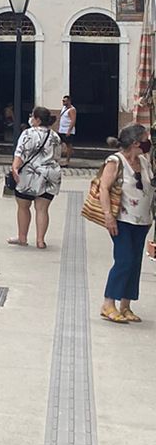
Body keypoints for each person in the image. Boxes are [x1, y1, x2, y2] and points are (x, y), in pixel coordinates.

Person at [98, 124, 155, 324]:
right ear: (135, 142)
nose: (149, 143)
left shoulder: (144, 161)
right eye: (146, 139)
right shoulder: (115, 161)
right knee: (124, 260)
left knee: (135, 262)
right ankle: (108, 303)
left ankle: (126, 304)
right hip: (121, 220)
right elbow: (104, 188)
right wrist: (108, 216)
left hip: (142, 220)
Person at [9, 105, 61, 248]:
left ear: (37, 119)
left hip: (30, 175)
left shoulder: (28, 133)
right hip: (50, 174)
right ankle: (40, 240)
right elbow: (57, 156)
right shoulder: (55, 136)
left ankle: (22, 238)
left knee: (23, 207)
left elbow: (20, 152)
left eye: (32, 116)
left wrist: (15, 167)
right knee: (42, 209)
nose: (31, 118)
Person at [57, 95, 77, 166]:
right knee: (57, 143)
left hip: (67, 130)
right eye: (63, 101)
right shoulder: (64, 108)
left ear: (69, 101)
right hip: (61, 130)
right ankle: (57, 158)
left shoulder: (72, 110)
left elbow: (73, 120)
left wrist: (69, 130)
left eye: (64, 101)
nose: (63, 102)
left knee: (69, 145)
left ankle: (67, 161)